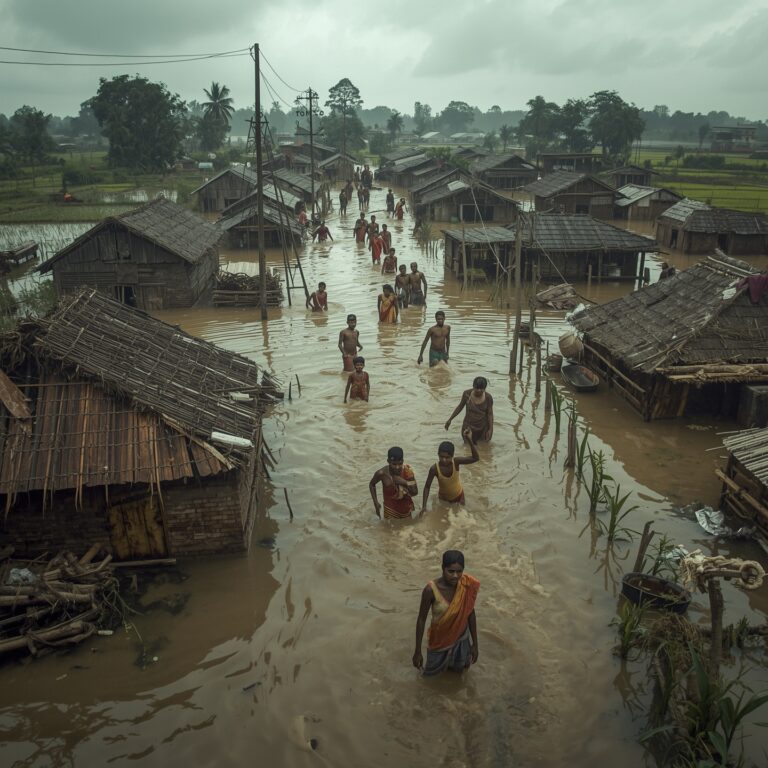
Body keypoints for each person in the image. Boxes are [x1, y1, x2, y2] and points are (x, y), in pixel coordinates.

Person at [413, 550, 480, 676]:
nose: (455, 576)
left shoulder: (465, 586)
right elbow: (421, 619)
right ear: (443, 568)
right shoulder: (431, 590)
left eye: (459, 571)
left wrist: (475, 644)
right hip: (439, 640)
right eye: (451, 571)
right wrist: (417, 651)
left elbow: (470, 613)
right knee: (431, 677)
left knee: (458, 675)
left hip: (461, 638)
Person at [420, 433, 479, 512]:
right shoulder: (434, 469)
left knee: (462, 520)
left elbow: (475, 458)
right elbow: (427, 487)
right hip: (444, 500)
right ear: (438, 455)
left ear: (452, 456)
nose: (444, 460)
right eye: (441, 457)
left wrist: (469, 439)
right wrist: (424, 507)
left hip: (459, 496)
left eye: (447, 457)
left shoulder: (456, 462)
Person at [369, 446, 418, 519]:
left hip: (406, 509)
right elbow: (372, 485)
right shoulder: (382, 473)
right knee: (389, 530)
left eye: (400, 464)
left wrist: (404, 482)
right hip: (390, 510)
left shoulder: (408, 471)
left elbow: (415, 492)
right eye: (394, 464)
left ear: (403, 461)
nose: (397, 467)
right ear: (388, 461)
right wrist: (376, 503)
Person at [445, 377, 494, 444]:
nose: (479, 391)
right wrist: (450, 419)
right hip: (468, 427)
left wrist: (490, 429)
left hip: (482, 429)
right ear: (473, 386)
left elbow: (490, 414)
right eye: (477, 388)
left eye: (481, 389)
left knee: (483, 448)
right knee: (467, 448)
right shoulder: (467, 394)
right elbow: (460, 407)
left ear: (484, 389)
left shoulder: (488, 397)